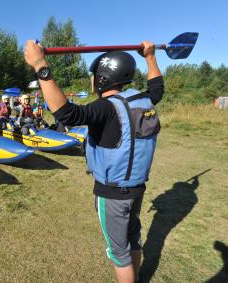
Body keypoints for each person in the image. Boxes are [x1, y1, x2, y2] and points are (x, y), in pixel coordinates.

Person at [25, 40, 164, 283]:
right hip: (137, 190)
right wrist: (150, 57)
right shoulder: (144, 101)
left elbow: (67, 114)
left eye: (94, 75)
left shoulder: (105, 108)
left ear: (102, 78)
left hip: (112, 195)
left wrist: (40, 65)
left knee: (119, 253)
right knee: (133, 239)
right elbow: (157, 88)